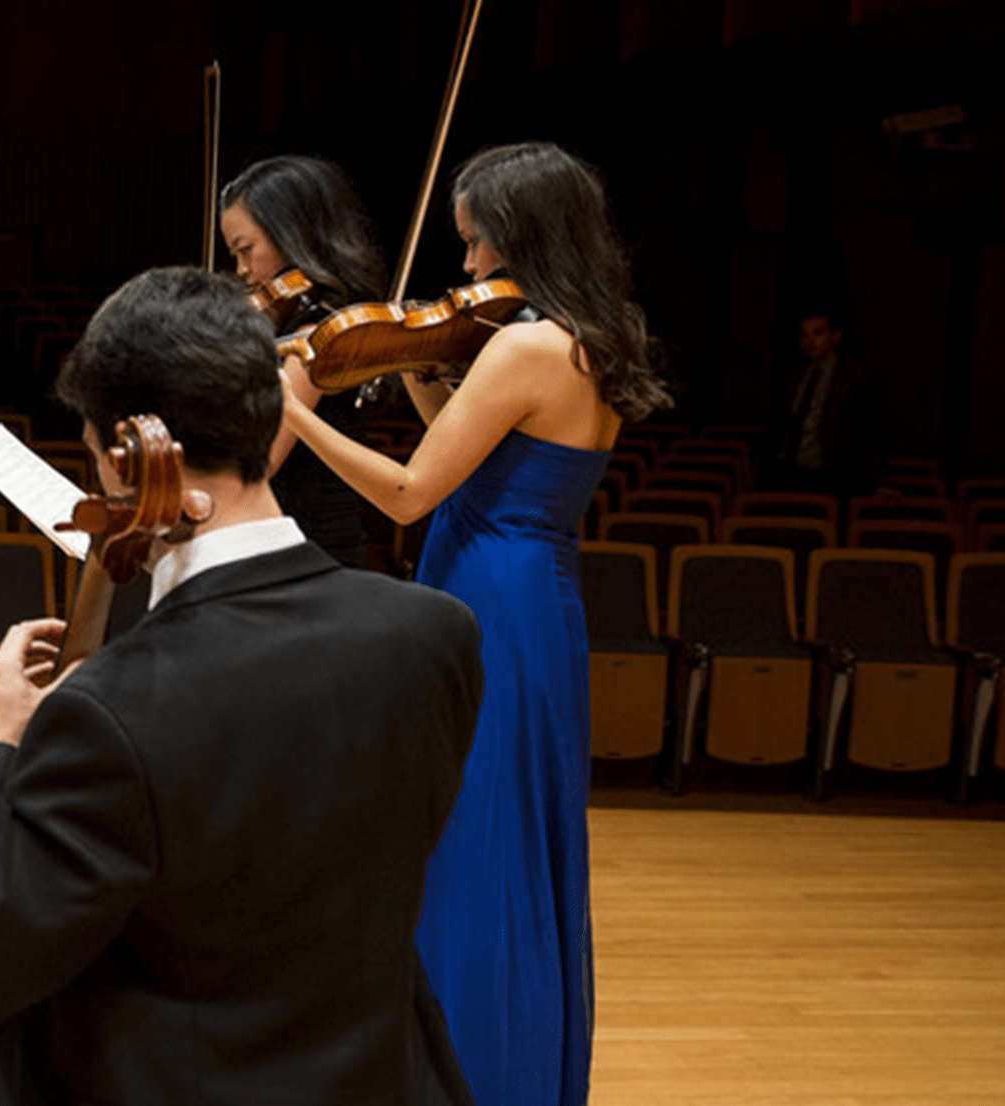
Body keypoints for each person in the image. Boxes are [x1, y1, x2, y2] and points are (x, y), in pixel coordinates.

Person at [0, 267, 485, 1106]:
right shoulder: (435, 635)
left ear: (131, 457)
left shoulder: (112, 710)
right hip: (375, 1080)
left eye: (93, 456)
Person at [279, 142, 674, 1106]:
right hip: (538, 594)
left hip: (488, 596)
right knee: (506, 835)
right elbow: (468, 446)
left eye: (475, 242)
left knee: (472, 832)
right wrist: (422, 356)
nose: (464, 269)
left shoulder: (526, 345)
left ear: (522, 233)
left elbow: (413, 495)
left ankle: (467, 1063)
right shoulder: (589, 334)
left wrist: (295, 406)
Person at [219, 153, 394, 569]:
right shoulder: (286, 325)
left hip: (313, 555)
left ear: (292, 235)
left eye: (247, 250)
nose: (241, 271)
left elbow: (259, 461)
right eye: (234, 255)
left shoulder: (316, 336)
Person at [762, 309, 878, 494]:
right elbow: (777, 422)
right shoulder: (793, 374)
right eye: (804, 335)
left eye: (818, 333)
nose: (809, 341)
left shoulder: (855, 376)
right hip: (784, 470)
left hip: (828, 476)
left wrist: (879, 481)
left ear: (836, 336)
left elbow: (871, 429)